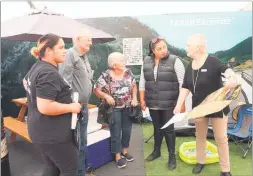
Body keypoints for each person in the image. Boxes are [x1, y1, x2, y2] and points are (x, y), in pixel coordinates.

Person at [174, 33, 238, 176]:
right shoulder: (190, 65)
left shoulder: (213, 61)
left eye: (188, 45)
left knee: (221, 138)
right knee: (200, 136)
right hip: (199, 108)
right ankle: (200, 161)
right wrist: (179, 105)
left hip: (217, 106)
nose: (186, 48)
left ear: (197, 47)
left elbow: (226, 70)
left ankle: (225, 170)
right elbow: (185, 87)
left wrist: (232, 78)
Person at [23, 33, 81, 176]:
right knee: (70, 169)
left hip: (40, 132)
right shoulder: (48, 72)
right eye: (61, 47)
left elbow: (25, 82)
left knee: (52, 168)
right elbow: (45, 106)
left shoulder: (37, 67)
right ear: (49, 50)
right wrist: (71, 107)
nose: (65, 50)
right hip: (53, 136)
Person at [139, 36, 185, 170]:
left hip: (169, 103)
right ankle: (156, 151)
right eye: (159, 48)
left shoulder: (175, 60)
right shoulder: (146, 61)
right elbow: (142, 81)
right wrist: (142, 99)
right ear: (153, 50)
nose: (164, 50)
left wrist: (181, 103)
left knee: (169, 130)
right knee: (157, 128)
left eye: (165, 47)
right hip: (153, 102)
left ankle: (172, 156)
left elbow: (183, 82)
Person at [58, 29, 93, 176]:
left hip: (83, 106)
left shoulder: (83, 56)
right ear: (77, 40)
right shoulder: (70, 55)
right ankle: (78, 173)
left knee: (82, 141)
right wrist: (73, 105)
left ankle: (82, 170)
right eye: (88, 39)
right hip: (75, 108)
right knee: (77, 142)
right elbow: (65, 82)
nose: (91, 42)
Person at [93, 52, 138, 169]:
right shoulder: (106, 75)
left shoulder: (128, 73)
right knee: (116, 132)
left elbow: (134, 86)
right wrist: (106, 96)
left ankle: (124, 151)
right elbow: (96, 90)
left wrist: (135, 98)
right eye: (122, 61)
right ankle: (117, 156)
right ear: (114, 64)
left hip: (127, 107)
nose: (124, 63)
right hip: (114, 109)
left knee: (127, 130)